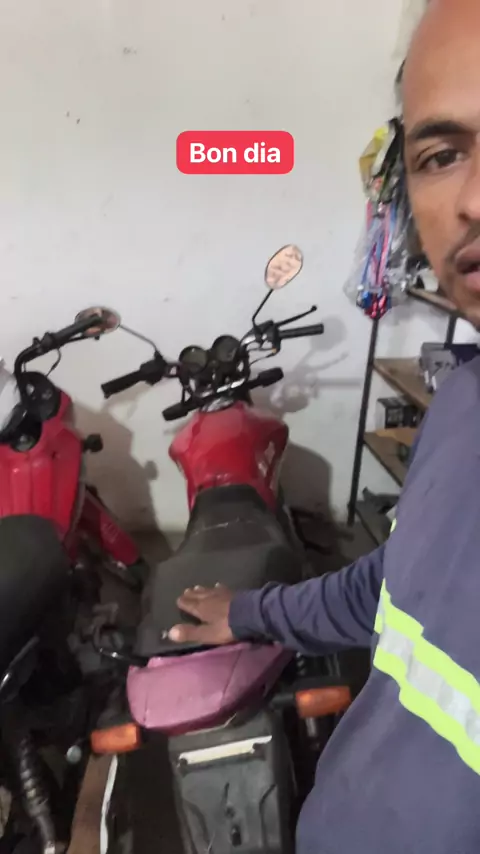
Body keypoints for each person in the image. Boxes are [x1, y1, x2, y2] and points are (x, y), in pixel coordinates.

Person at [169, 1, 480, 851]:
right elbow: (399, 586)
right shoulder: (461, 399)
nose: (472, 199)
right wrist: (254, 613)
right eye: (442, 154)